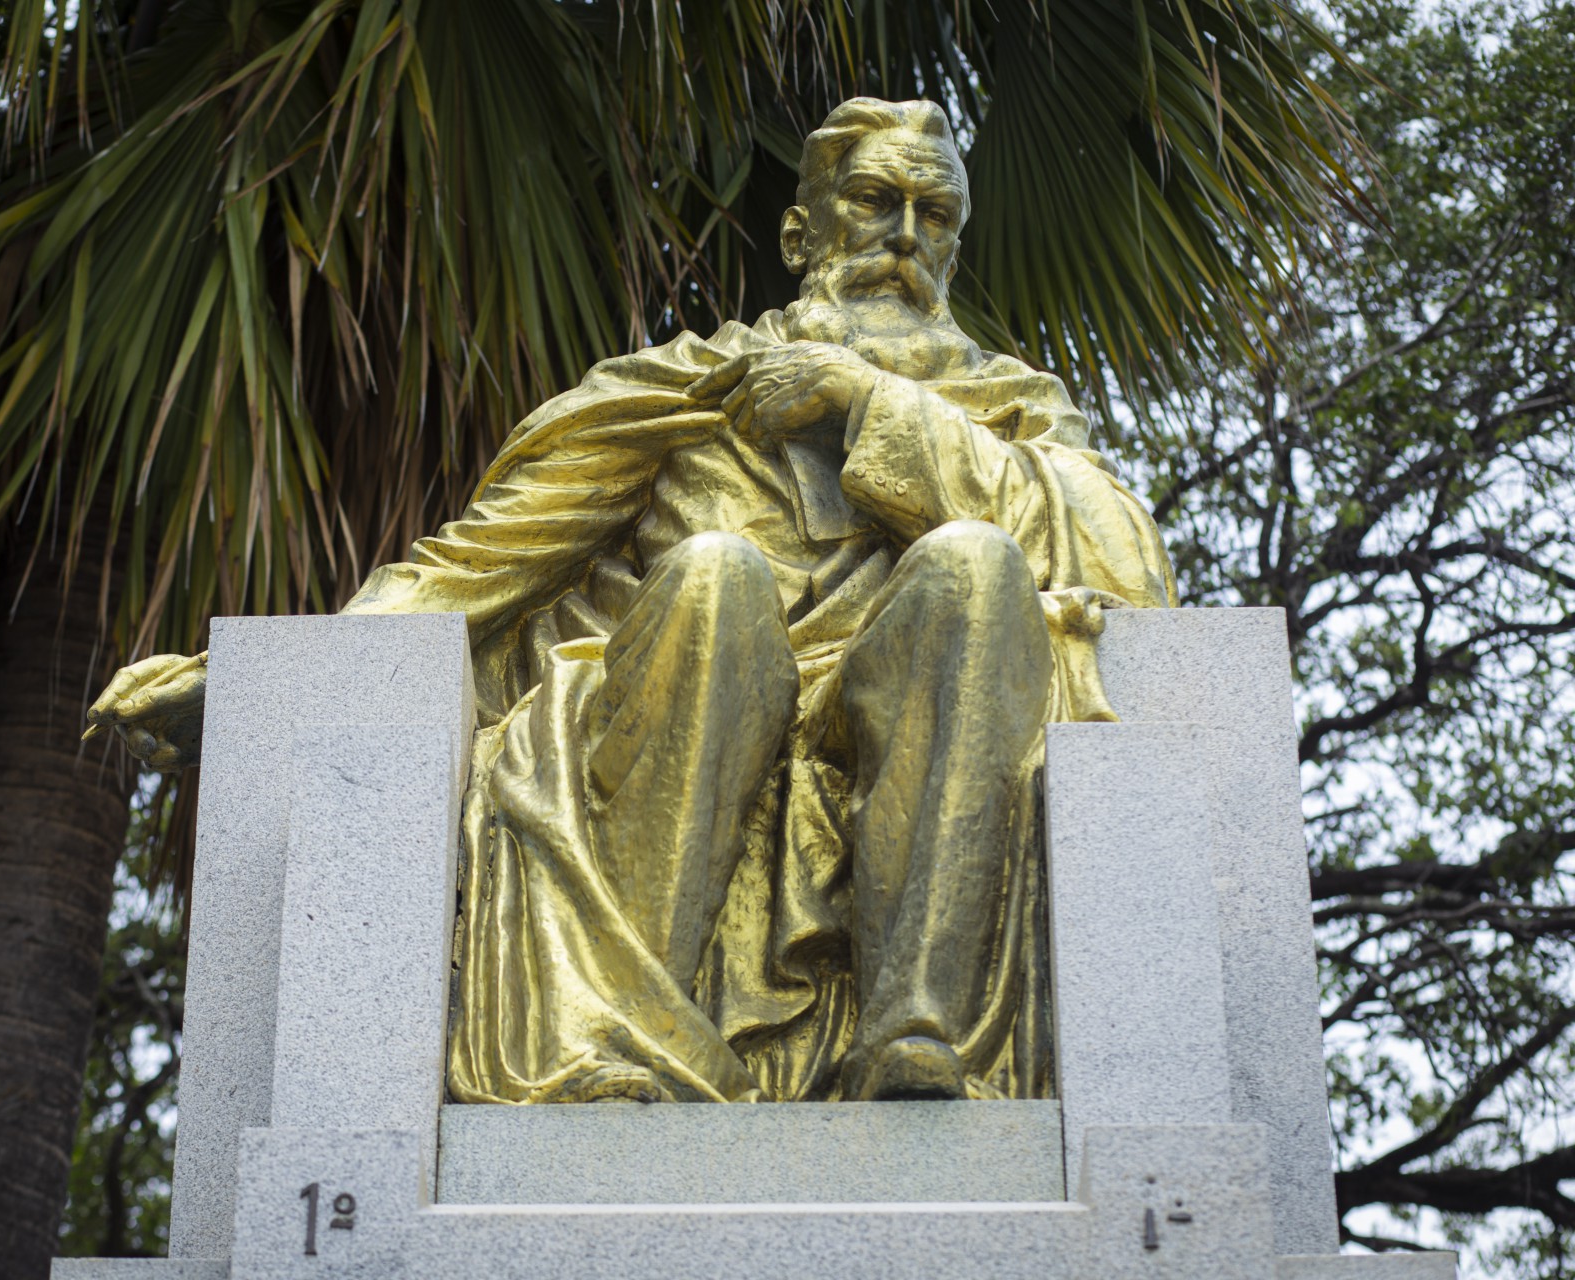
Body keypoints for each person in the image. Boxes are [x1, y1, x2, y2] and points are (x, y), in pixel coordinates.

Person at [90, 97, 1175, 1105]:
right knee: (715, 572)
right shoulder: (676, 387)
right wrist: (270, 686)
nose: (902, 235)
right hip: (693, 701)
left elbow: (1126, 567)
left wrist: (869, 404)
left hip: (894, 711)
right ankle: (633, 1029)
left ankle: (914, 1030)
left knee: (978, 563)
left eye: (932, 213)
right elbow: (479, 562)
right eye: (875, 200)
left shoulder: (1012, 407)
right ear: (802, 239)